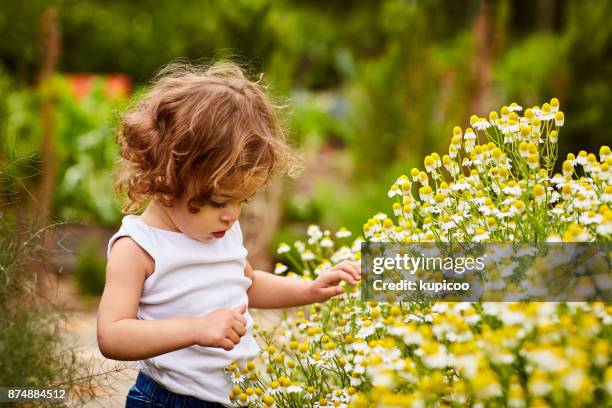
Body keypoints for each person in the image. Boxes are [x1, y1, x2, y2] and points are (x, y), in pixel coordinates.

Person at [96, 62, 361, 408]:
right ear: (166, 177)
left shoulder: (222, 231)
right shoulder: (138, 248)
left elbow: (248, 284)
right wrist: (196, 328)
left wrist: (308, 289)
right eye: (220, 200)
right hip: (170, 401)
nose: (233, 214)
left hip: (237, 398)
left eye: (243, 200)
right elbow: (112, 334)